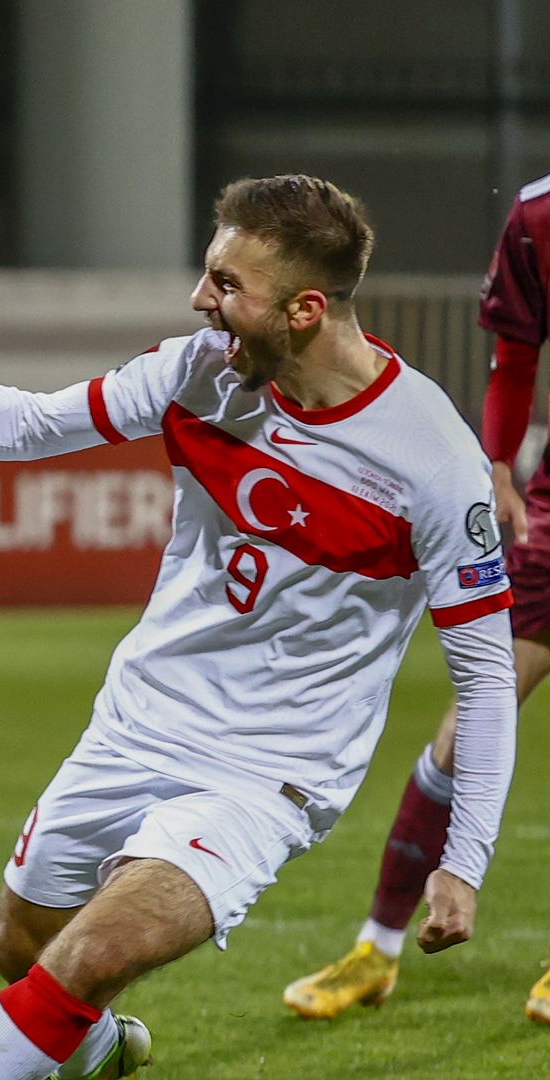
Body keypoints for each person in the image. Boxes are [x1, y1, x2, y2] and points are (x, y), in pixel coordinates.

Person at [0, 175, 518, 1080]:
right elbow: (37, 422)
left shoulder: (434, 461)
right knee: (21, 947)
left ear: (304, 309)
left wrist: (463, 861)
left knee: (93, 956)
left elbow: (486, 677)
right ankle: (104, 1052)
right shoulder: (199, 372)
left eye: (226, 284)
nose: (199, 300)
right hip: (136, 725)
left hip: (266, 772)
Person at [282, 172, 550, 1023]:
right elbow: (516, 353)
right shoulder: (537, 217)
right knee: (470, 723)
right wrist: (498, 463)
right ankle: (378, 948)